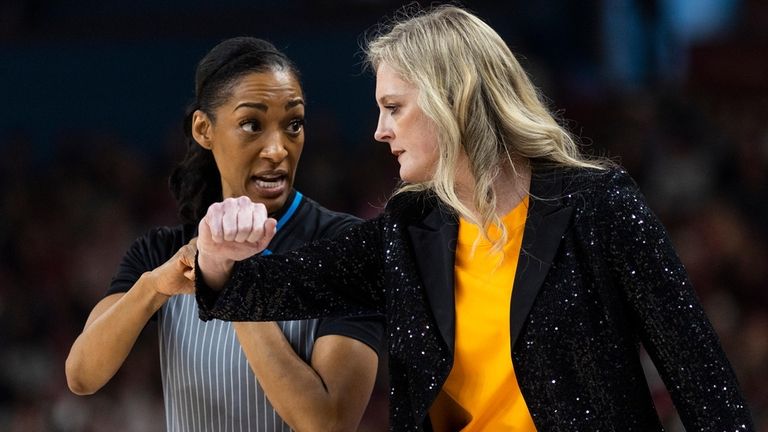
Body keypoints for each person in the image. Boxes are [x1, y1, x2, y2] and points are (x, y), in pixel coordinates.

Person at [192, 6, 755, 432]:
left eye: (393, 107)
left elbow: (704, 385)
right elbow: (268, 287)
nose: (379, 131)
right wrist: (218, 253)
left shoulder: (599, 206)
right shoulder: (408, 228)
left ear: (451, 100)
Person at [65, 37, 384, 432]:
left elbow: (328, 425)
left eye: (293, 124)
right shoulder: (161, 251)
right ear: (204, 129)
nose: (277, 149)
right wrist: (153, 288)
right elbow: (81, 375)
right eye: (252, 124)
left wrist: (231, 282)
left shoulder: (347, 245)